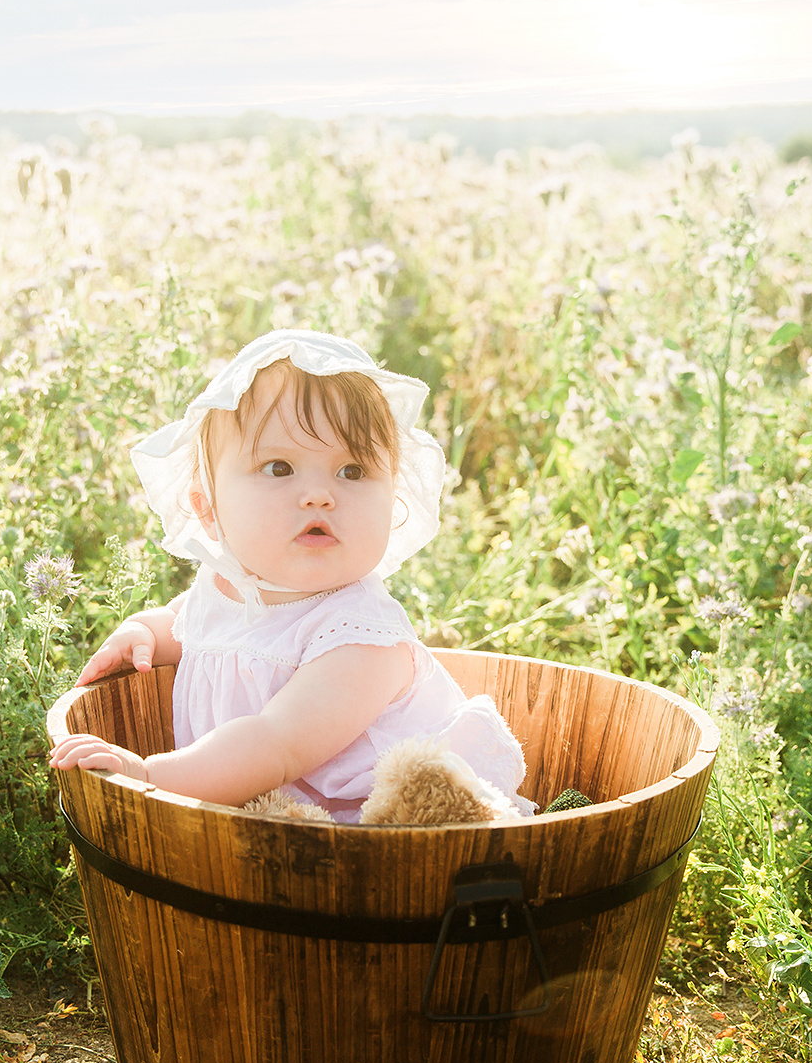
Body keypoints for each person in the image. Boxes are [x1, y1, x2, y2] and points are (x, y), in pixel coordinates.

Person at [46, 329, 527, 822]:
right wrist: (143, 631)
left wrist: (151, 778)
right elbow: (188, 628)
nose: (319, 494)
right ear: (208, 508)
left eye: (353, 471)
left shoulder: (362, 638)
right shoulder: (228, 589)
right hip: (274, 825)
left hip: (382, 836)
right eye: (279, 468)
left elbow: (274, 744)